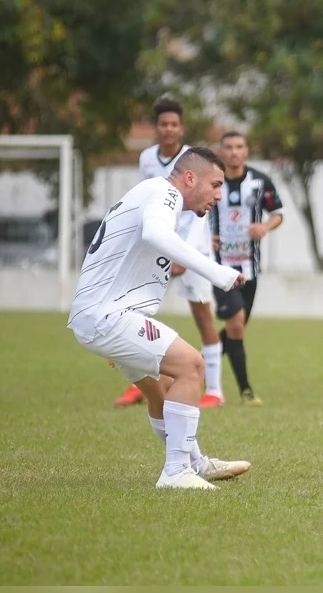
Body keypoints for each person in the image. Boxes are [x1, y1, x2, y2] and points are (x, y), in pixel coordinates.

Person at [68, 147, 252, 489]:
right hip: (108, 315)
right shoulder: (164, 193)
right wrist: (217, 272)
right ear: (190, 178)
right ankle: (176, 472)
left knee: (164, 388)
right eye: (215, 184)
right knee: (192, 365)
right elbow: (155, 234)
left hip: (103, 314)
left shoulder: (153, 194)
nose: (218, 195)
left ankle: (194, 463)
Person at [114, 97, 227, 409]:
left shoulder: (194, 160)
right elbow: (146, 200)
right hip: (158, 243)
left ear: (181, 128)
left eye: (174, 124)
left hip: (191, 247)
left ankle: (215, 390)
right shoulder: (147, 158)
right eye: (163, 124)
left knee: (202, 313)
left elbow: (198, 212)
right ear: (156, 128)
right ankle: (140, 383)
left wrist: (182, 253)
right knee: (136, 310)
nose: (168, 129)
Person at [210, 131, 285, 406]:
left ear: (246, 151)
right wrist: (206, 236)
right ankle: (246, 391)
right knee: (236, 324)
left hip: (250, 268)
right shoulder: (210, 180)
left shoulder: (259, 181)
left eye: (239, 147)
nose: (233, 152)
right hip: (219, 268)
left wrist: (265, 227)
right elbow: (190, 213)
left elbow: (278, 213)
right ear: (220, 150)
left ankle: (199, 360)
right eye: (228, 147)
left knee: (236, 329)